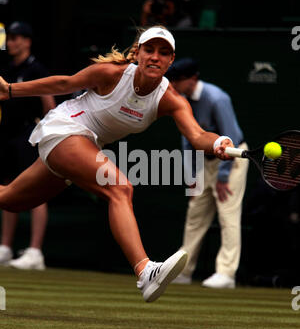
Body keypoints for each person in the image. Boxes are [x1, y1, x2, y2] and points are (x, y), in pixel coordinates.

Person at [0, 26, 234, 302]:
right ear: (137, 53)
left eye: (164, 53)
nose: (155, 57)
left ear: (171, 60)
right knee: (120, 188)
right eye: (149, 50)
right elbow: (65, 84)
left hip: (83, 146)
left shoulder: (171, 99)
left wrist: (218, 141)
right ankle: (145, 271)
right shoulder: (112, 72)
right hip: (64, 130)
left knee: (10, 199)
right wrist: (10, 90)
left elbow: (197, 136)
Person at [166, 58, 248, 289]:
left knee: (227, 215)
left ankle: (226, 274)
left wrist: (223, 177)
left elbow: (230, 135)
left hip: (232, 159)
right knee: (195, 216)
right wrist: (193, 179)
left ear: (192, 79)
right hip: (204, 162)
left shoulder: (216, 98)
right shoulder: (182, 101)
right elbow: (187, 142)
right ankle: (183, 271)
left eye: (177, 81)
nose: (173, 85)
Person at [0, 21, 56, 270]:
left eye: (15, 38)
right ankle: (5, 247)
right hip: (7, 136)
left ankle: (35, 252)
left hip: (30, 136)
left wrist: (46, 133)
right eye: (9, 38)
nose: (10, 42)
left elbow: (49, 104)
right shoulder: (8, 69)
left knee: (35, 191)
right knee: (9, 189)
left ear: (27, 41)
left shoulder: (37, 69)